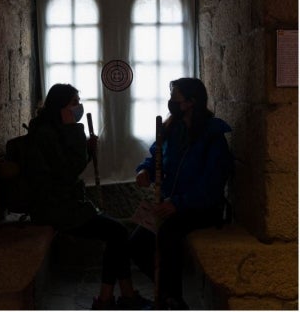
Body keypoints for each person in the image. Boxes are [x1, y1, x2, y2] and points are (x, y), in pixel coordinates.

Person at [25, 83, 150, 310]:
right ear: (60, 106)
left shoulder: (53, 129)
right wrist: (77, 135)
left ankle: (118, 296)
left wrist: (87, 149)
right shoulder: (46, 134)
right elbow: (67, 171)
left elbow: (71, 166)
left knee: (117, 233)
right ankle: (111, 297)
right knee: (118, 232)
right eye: (73, 103)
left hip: (65, 203)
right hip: (55, 208)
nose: (78, 107)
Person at [130, 78, 233, 309]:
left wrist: (179, 203)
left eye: (175, 99)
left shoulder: (212, 136)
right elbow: (157, 156)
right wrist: (145, 170)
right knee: (136, 243)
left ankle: (174, 299)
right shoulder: (172, 129)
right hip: (171, 205)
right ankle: (167, 295)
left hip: (201, 208)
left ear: (191, 102)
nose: (171, 103)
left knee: (167, 234)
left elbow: (212, 184)